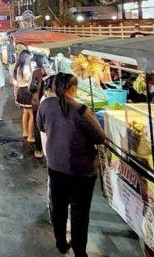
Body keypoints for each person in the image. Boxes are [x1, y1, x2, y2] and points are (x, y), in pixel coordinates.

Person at [37, 73, 106, 257]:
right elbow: (100, 137)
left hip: (55, 165)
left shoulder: (46, 105)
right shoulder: (81, 110)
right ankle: (79, 252)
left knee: (59, 207)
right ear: (71, 88)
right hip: (80, 170)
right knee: (79, 213)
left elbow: (41, 127)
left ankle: (60, 242)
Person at [13, 50, 35, 142]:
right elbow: (29, 80)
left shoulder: (18, 67)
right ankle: (30, 136)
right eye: (29, 57)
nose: (30, 59)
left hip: (21, 91)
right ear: (26, 57)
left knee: (25, 112)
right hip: (27, 92)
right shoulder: (25, 68)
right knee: (32, 115)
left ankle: (25, 132)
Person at [30, 56, 48, 159]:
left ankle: (39, 149)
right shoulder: (49, 75)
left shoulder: (36, 72)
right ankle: (42, 149)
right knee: (42, 126)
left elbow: (32, 87)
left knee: (38, 126)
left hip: (38, 104)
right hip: (44, 104)